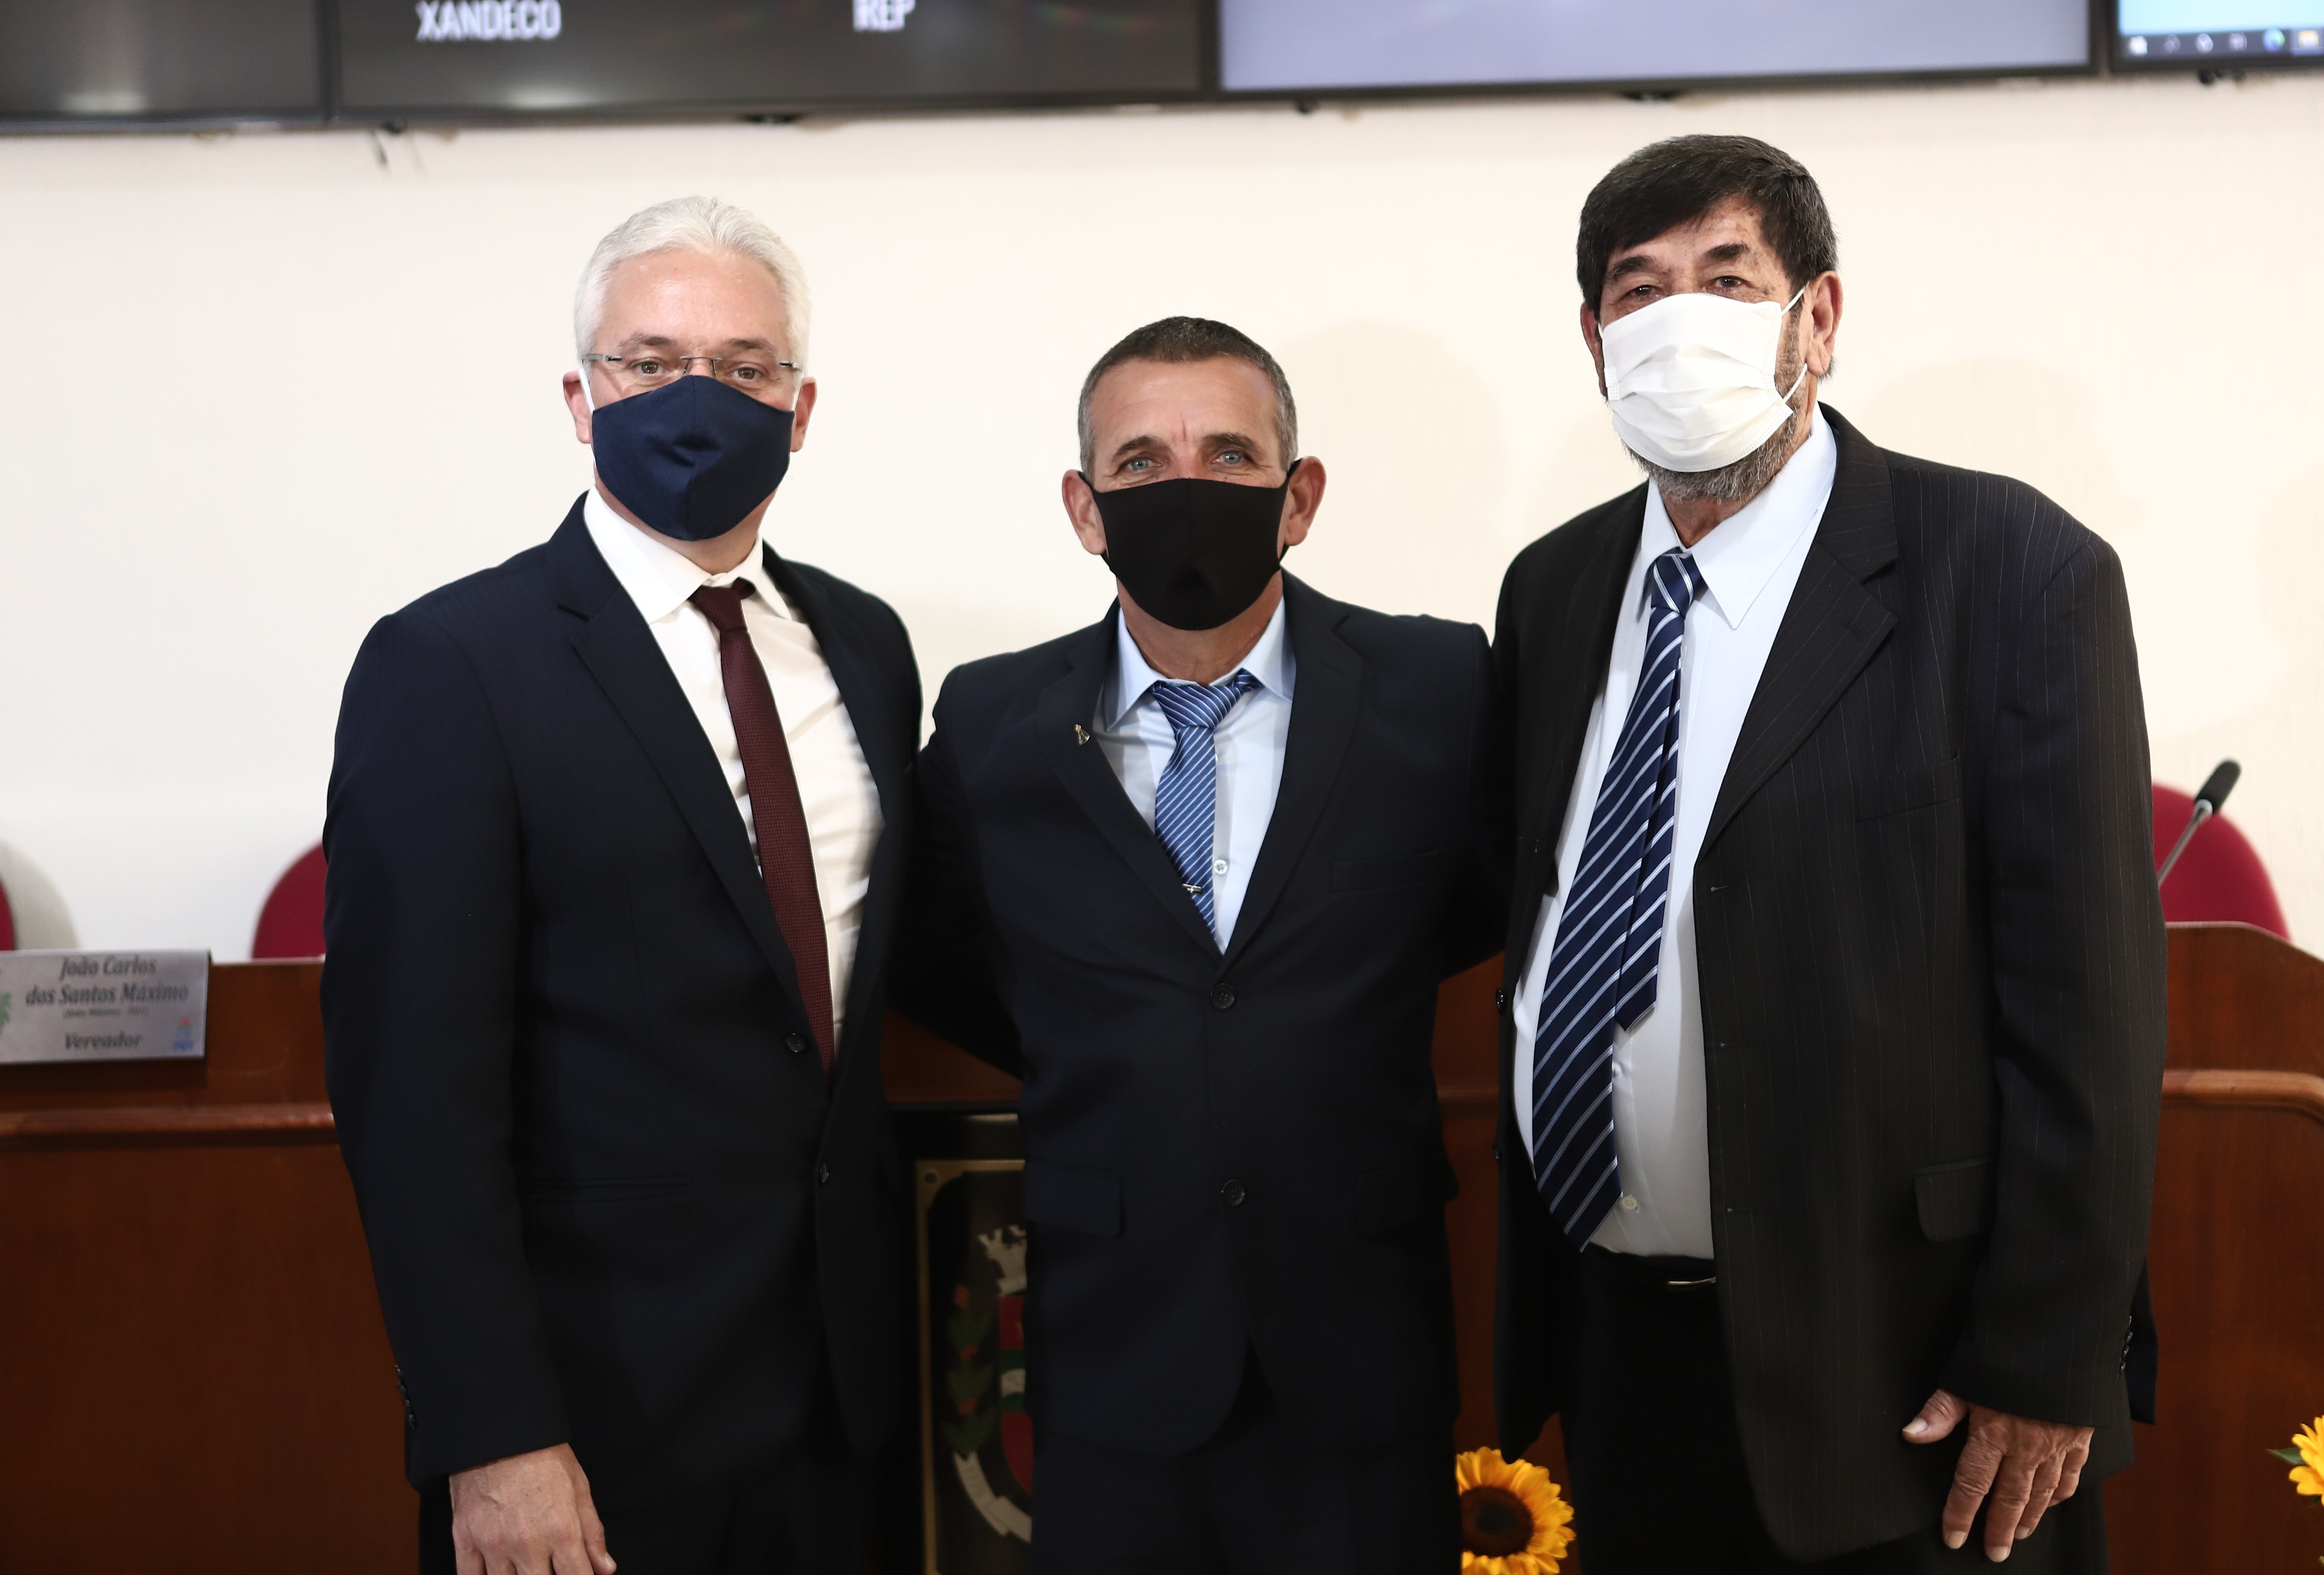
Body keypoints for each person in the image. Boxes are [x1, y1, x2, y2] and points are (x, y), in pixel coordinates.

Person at [1489, 135, 2165, 1573]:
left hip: (1911, 1381)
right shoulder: (1553, 589)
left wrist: (2046, 1355)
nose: (1678, 321)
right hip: (1626, 1363)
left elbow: (2089, 1013)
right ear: (1594, 340)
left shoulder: (2008, 567)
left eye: (1727, 280)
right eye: (1638, 292)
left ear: (1821, 316)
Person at [323, 196, 919, 1575]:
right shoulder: (451, 663)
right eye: (651, 363)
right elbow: (411, 1096)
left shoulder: (866, 646)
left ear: (801, 407)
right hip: (591, 1432)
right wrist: (493, 1434)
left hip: (844, 1405)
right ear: (581, 400)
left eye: (744, 366)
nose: (697, 397)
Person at [895, 317, 1507, 1574]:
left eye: (1229, 455)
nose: (1186, 487)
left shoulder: (1439, 687)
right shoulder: (992, 721)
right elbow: (941, 957)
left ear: (1299, 496)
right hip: (1111, 1358)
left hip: (1360, 1354)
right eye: (1141, 461)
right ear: (1085, 507)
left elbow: (1484, 909)